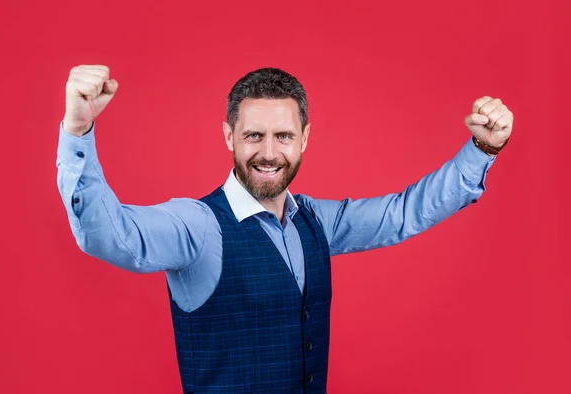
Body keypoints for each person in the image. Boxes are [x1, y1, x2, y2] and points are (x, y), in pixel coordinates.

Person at [56, 65, 513, 393]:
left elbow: (402, 214)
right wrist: (78, 131)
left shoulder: (315, 220)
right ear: (229, 137)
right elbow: (110, 235)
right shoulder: (196, 225)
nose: (269, 152)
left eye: (284, 136)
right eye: (254, 135)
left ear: (305, 139)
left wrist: (481, 149)